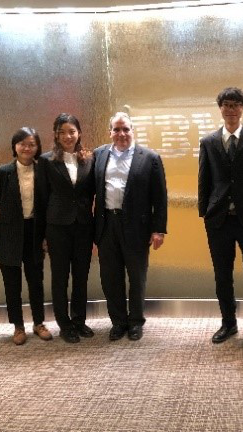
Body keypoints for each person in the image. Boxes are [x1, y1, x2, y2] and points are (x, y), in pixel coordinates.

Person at [198, 87, 243, 347]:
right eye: (226, 105)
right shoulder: (208, 141)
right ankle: (228, 323)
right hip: (218, 220)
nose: (231, 109)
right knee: (222, 275)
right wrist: (204, 212)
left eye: (236, 105)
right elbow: (204, 179)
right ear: (220, 108)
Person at [93, 112, 168, 342]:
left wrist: (158, 229)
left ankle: (135, 322)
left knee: (137, 276)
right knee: (110, 277)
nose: (121, 134)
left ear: (132, 131)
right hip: (107, 224)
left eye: (126, 129)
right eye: (116, 129)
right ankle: (118, 322)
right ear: (110, 132)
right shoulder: (99, 155)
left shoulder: (150, 158)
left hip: (137, 226)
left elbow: (160, 197)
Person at [0, 128, 53, 345]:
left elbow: (49, 204)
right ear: (15, 146)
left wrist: (47, 236)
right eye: (22, 144)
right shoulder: (2, 172)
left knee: (36, 282)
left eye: (31, 144)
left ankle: (39, 323)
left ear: (37, 147)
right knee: (12, 284)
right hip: (8, 234)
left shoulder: (43, 170)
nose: (27, 148)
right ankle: (18, 326)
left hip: (35, 233)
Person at [35, 113, 95, 343]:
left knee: (81, 276)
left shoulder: (88, 158)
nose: (68, 136)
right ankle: (64, 324)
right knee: (60, 277)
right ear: (56, 135)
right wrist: (42, 235)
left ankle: (79, 320)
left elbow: (91, 193)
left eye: (72, 131)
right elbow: (42, 199)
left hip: (83, 226)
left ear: (79, 133)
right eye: (62, 132)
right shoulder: (46, 161)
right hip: (57, 227)